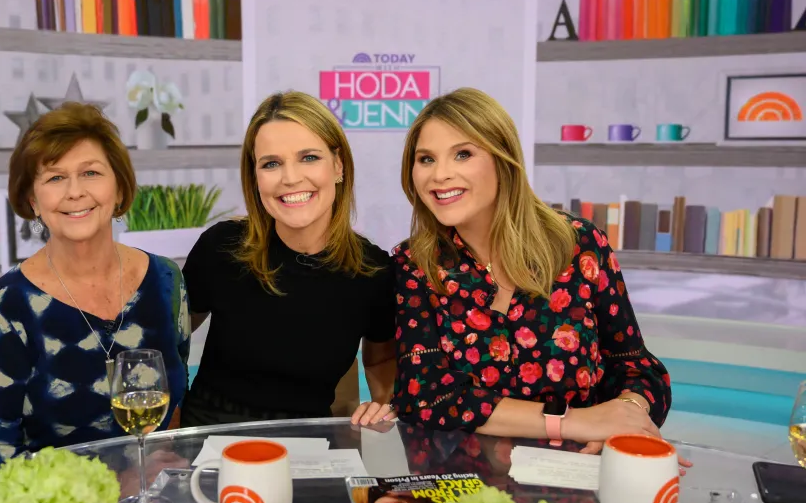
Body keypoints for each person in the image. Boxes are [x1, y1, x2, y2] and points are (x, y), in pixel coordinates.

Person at [390, 87, 676, 455]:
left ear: (502, 159)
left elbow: (637, 367)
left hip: (575, 478)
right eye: (425, 159)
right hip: (463, 488)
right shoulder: (413, 263)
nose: (440, 175)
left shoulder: (581, 245)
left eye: (463, 154)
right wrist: (572, 422)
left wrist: (627, 412)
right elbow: (425, 395)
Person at [0, 102, 190, 484]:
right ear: (34, 201)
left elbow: (176, 399)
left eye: (91, 173)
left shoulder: (165, 279)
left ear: (118, 188)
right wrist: (117, 488)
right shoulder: (8, 305)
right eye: (54, 178)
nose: (75, 192)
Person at [179, 91, 396, 428]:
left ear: (338, 165)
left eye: (309, 157)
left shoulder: (373, 271)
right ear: (255, 177)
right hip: (212, 440)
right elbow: (168, 344)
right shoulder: (221, 248)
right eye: (271, 163)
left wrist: (382, 407)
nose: (290, 178)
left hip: (315, 449)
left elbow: (382, 360)